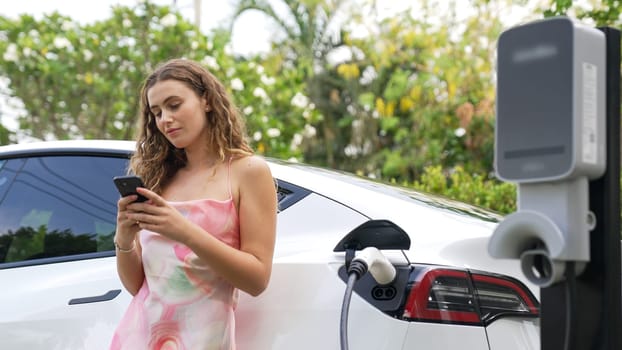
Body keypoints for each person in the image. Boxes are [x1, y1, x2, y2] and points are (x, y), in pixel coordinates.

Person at [109, 58, 278, 350]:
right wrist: (123, 239)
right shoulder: (159, 178)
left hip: (205, 339)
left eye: (174, 105)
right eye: (157, 112)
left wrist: (184, 231)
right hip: (139, 337)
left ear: (207, 101)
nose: (164, 120)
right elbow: (139, 287)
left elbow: (257, 279)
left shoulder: (247, 172)